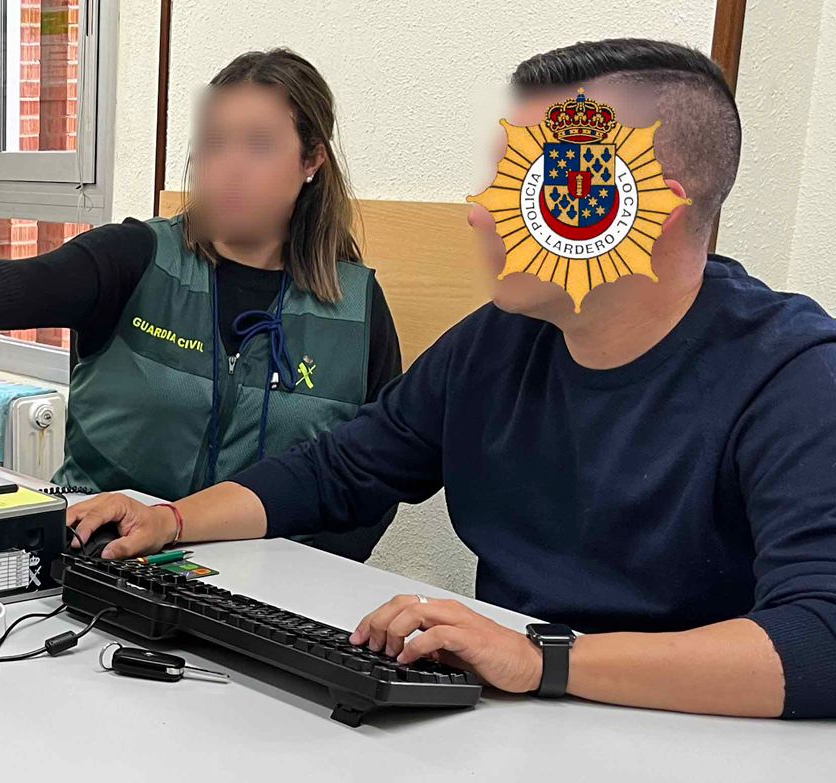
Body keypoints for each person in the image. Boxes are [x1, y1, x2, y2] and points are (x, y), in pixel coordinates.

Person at [67, 38, 836, 720]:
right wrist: (172, 520)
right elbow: (342, 469)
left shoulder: (793, 374)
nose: (480, 212)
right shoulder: (502, 341)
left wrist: (541, 661)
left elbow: (820, 638)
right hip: (520, 719)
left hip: (693, 753)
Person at [0, 48, 402, 561]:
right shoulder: (141, 256)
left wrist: (317, 571)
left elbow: (374, 475)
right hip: (104, 552)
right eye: (215, 144)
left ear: (311, 160)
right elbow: (52, 276)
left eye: (259, 146)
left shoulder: (355, 308)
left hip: (265, 583)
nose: (231, 167)